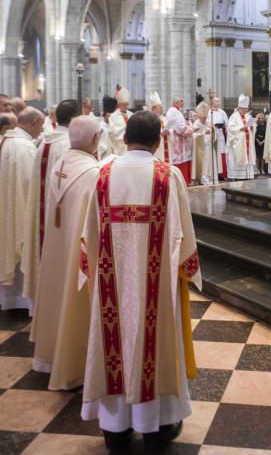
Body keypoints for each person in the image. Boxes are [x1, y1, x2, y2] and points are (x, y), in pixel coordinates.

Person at [79, 111, 201, 453]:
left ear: (124, 137)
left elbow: (88, 236)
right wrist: (188, 268)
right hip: (156, 290)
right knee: (155, 344)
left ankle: (115, 429)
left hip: (110, 288)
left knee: (113, 344)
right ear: (159, 140)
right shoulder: (168, 176)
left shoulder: (103, 176)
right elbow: (185, 240)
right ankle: (155, 428)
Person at [30, 116, 101, 390]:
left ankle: (49, 355)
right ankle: (75, 365)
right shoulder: (93, 174)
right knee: (74, 298)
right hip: (79, 256)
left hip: (58, 248)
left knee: (56, 291)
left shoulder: (60, 164)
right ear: (95, 140)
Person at [21, 99, 80, 307]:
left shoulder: (43, 143)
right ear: (75, 119)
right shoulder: (69, 146)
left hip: (43, 216)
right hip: (60, 219)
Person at [0, 107, 44, 310]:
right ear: (33, 122)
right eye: (40, 125)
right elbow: (30, 185)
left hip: (6, 207)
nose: (41, 130)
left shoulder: (6, 142)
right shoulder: (24, 148)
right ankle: (21, 301)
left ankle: (8, 300)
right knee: (21, 244)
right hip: (20, 208)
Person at [227, 94, 256, 180]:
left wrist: (252, 127)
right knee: (239, 158)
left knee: (248, 157)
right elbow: (230, 128)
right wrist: (240, 128)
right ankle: (238, 176)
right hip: (239, 142)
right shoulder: (234, 116)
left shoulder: (248, 116)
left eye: (246, 109)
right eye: (243, 108)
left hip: (247, 142)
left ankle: (248, 175)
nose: (245, 110)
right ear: (239, 107)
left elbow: (253, 126)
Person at [166, 97, 193, 184]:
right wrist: (192, 129)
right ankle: (181, 182)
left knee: (183, 159)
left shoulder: (176, 111)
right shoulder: (173, 112)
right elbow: (180, 129)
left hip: (181, 141)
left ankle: (185, 181)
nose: (183, 103)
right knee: (179, 161)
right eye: (181, 101)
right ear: (176, 102)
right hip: (178, 141)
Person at [191, 101, 217, 185]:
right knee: (203, 163)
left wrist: (213, 132)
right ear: (199, 116)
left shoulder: (209, 122)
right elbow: (193, 135)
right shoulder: (196, 124)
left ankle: (210, 177)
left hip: (209, 146)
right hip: (201, 148)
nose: (204, 119)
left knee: (209, 162)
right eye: (202, 118)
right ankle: (202, 178)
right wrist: (203, 133)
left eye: (205, 117)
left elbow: (215, 134)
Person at [148, 91, 171, 164]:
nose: (162, 109)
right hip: (157, 146)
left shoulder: (164, 118)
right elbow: (148, 132)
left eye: (162, 107)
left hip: (166, 143)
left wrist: (169, 132)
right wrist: (160, 134)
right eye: (160, 107)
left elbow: (170, 128)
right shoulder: (149, 119)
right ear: (154, 108)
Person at [108, 87, 132, 156]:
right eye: (124, 104)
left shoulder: (131, 115)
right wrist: (125, 129)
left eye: (127, 104)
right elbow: (112, 132)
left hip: (131, 145)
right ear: (119, 104)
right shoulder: (113, 116)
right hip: (119, 146)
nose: (126, 106)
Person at [208, 97, 228, 179]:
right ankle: (213, 173)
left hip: (220, 135)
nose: (219, 102)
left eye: (219, 101)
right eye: (217, 101)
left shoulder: (222, 112)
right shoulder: (209, 112)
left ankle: (222, 174)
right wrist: (212, 126)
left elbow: (227, 122)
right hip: (212, 135)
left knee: (221, 152)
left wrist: (224, 125)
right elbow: (207, 123)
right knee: (213, 153)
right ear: (212, 102)